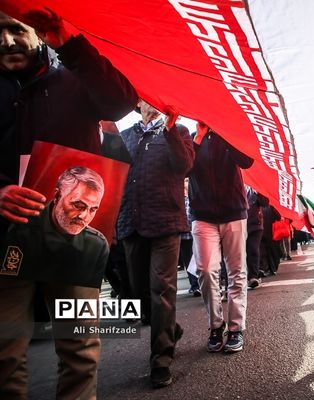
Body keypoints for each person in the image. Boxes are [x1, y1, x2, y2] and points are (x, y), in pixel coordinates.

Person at [0, 9, 136, 399]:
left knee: (79, 351)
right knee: (5, 355)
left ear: (38, 33)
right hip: (6, 242)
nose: (7, 41)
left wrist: (71, 42)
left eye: (16, 29)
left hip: (72, 248)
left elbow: (120, 102)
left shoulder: (75, 80)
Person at [117, 100, 193, 388]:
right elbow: (113, 175)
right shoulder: (125, 135)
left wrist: (172, 131)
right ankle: (170, 327)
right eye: (146, 97)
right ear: (137, 103)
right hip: (131, 224)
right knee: (140, 292)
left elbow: (184, 165)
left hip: (165, 222)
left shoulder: (179, 130)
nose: (152, 103)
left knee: (161, 289)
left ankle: (160, 360)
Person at [188, 122, 253, 353]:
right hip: (202, 215)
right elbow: (184, 168)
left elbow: (247, 160)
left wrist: (224, 132)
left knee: (236, 271)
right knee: (205, 270)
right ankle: (216, 325)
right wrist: (198, 138)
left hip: (234, 211)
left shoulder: (230, 130)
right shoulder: (189, 134)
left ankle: (236, 328)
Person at [246, 186, 269, 289]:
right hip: (238, 224)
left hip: (255, 225)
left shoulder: (256, 188)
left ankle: (253, 277)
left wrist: (258, 191)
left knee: (253, 250)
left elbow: (265, 202)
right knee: (238, 253)